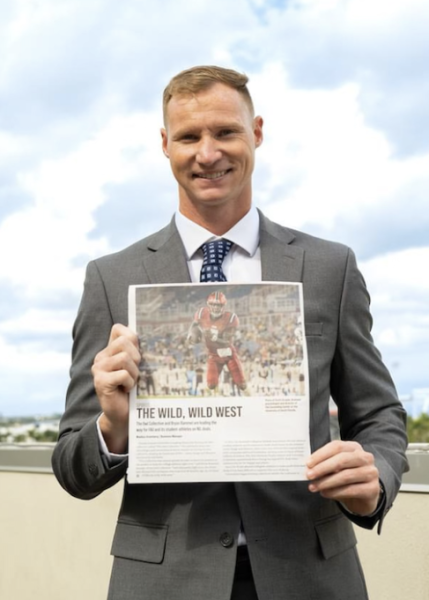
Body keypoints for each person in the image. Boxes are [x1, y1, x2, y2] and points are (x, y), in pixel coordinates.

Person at [52, 65, 408, 600]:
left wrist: (375, 477)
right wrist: (113, 425)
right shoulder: (112, 279)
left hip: (310, 576)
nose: (208, 153)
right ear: (165, 144)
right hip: (164, 581)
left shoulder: (329, 267)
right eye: (190, 136)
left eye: (225, 132)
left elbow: (378, 413)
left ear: (257, 132)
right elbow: (73, 468)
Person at [187, 291, 247, 394]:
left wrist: (214, 337)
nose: (215, 307)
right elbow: (195, 324)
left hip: (228, 354)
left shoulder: (230, 318)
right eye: (213, 304)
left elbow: (227, 341)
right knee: (211, 385)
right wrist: (191, 334)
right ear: (208, 304)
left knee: (242, 385)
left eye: (218, 305)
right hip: (213, 355)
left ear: (223, 305)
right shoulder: (201, 313)